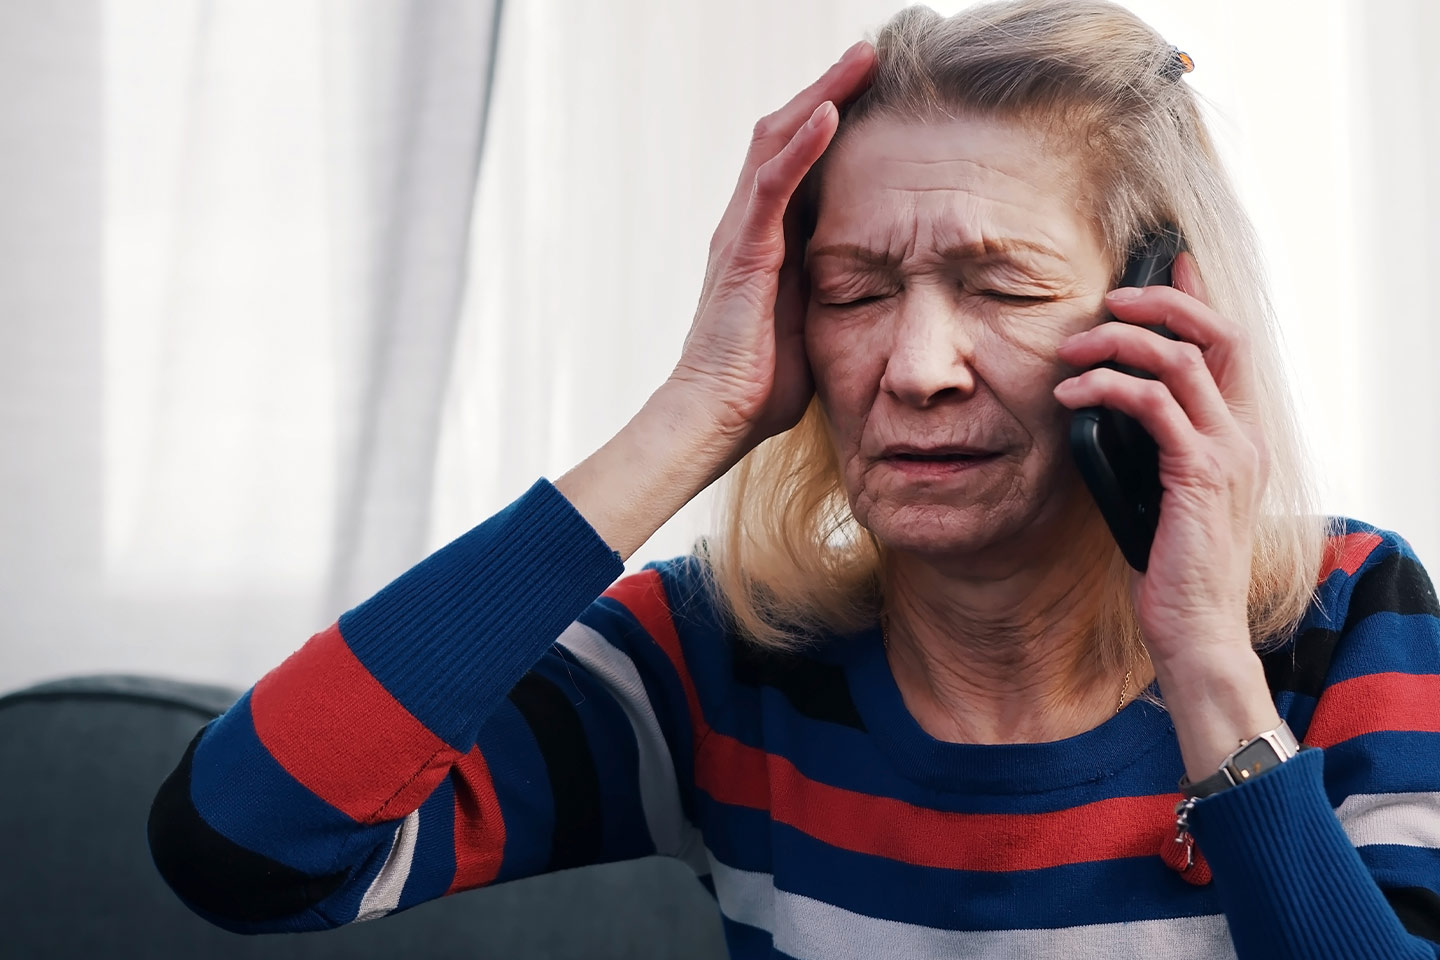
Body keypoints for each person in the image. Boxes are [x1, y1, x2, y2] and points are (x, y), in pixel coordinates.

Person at [148, 1, 1440, 957]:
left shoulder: (1346, 616)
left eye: (1002, 286)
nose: (917, 364)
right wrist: (694, 411)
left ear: (1161, 317)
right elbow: (245, 848)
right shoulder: (720, 656)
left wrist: (1213, 677)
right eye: (854, 293)